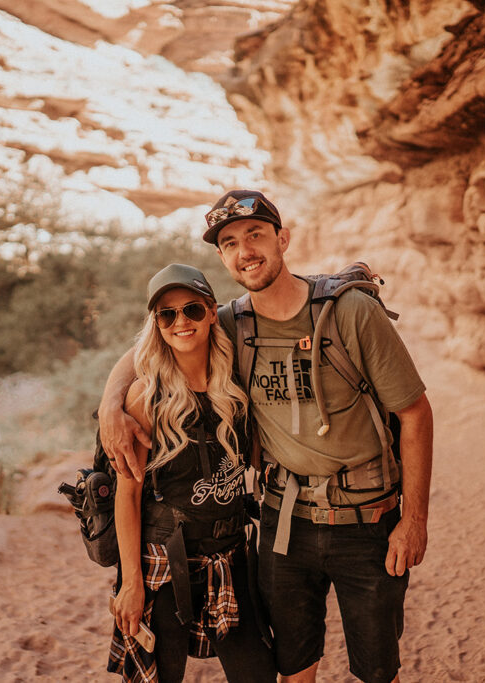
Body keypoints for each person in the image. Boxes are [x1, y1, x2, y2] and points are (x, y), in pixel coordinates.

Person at [100, 190, 434, 683]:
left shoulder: (350, 313)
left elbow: (415, 413)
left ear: (282, 238)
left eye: (255, 235)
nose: (245, 251)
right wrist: (111, 403)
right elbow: (154, 342)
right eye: (230, 242)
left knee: (378, 670)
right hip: (285, 525)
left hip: (368, 519)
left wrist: (414, 519)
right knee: (293, 668)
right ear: (222, 256)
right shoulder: (235, 321)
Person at [107, 263, 276, 683]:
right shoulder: (146, 394)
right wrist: (131, 584)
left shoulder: (235, 378)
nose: (181, 322)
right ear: (157, 324)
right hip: (164, 560)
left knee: (257, 673)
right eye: (167, 314)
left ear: (210, 312)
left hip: (232, 554)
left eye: (192, 310)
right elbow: (127, 495)